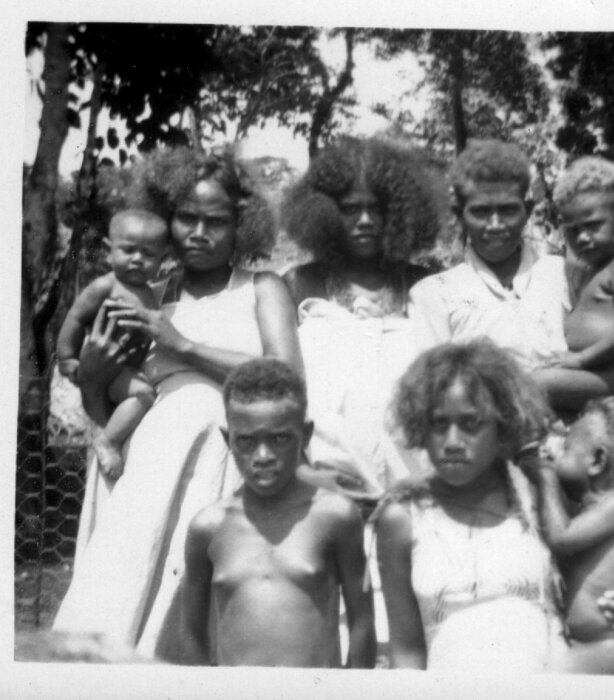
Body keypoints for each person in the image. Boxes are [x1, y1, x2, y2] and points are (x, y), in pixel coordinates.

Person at [53, 146, 302, 662]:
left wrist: (183, 346)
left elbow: (287, 381)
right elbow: (109, 409)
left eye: (217, 221)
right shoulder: (141, 295)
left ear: (243, 225)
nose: (199, 232)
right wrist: (93, 378)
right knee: (121, 599)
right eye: (186, 217)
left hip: (218, 468)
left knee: (194, 619)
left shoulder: (262, 289)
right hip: (143, 470)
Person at [374, 340, 614, 671]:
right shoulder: (403, 517)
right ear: (420, 427)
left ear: (502, 423)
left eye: (471, 424)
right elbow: (407, 651)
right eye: (439, 424)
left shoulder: (539, 491)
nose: (452, 442)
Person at [181, 359, 375, 667]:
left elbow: (362, 623)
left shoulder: (335, 517)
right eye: (246, 440)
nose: (263, 456)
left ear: (306, 434)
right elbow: (191, 635)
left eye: (280, 439)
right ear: (227, 438)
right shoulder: (208, 527)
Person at [282, 137, 445, 501]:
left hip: (414, 476)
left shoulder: (426, 285)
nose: (366, 220)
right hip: (323, 478)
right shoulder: (298, 283)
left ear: (400, 213)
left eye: (377, 208)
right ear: (323, 214)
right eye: (351, 209)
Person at [522, 393, 614, 674]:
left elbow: (561, 539)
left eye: (565, 449)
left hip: (604, 647)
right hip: (592, 645)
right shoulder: (597, 510)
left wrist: (545, 478)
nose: (554, 455)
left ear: (598, 460)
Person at [408, 139, 569, 373]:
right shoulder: (435, 294)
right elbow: (434, 388)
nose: (495, 225)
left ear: (528, 211)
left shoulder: (561, 274)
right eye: (481, 211)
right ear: (460, 215)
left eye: (508, 210)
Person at [55, 209, 171, 478]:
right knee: (142, 395)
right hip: (108, 367)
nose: (137, 260)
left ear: (162, 260)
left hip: (126, 366)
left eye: (148, 254)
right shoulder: (105, 286)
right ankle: (109, 441)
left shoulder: (150, 292)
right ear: (109, 250)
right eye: (128, 250)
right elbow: (75, 318)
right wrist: (66, 358)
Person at [532, 157, 614, 414]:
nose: (583, 238)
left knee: (534, 384)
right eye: (574, 231)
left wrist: (581, 360)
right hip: (592, 376)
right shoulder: (594, 269)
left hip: (612, 381)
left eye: (594, 226)